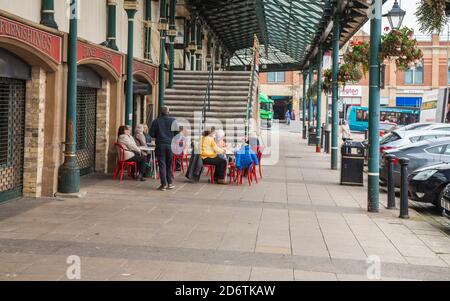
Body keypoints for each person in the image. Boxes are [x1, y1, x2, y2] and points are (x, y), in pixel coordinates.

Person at [150, 106, 179, 191]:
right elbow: (177, 134)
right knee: (169, 165)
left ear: (160, 112)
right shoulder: (173, 121)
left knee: (162, 164)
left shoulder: (156, 121)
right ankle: (170, 183)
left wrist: (158, 135)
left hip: (160, 144)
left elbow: (151, 134)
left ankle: (163, 185)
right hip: (170, 145)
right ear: (168, 112)